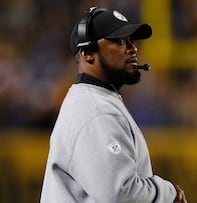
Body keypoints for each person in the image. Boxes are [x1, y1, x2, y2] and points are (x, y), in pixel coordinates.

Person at [40, 7, 187, 203]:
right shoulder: (96, 110)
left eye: (131, 40)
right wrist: (167, 194)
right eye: (119, 41)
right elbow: (118, 194)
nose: (132, 48)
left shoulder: (95, 101)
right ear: (87, 53)